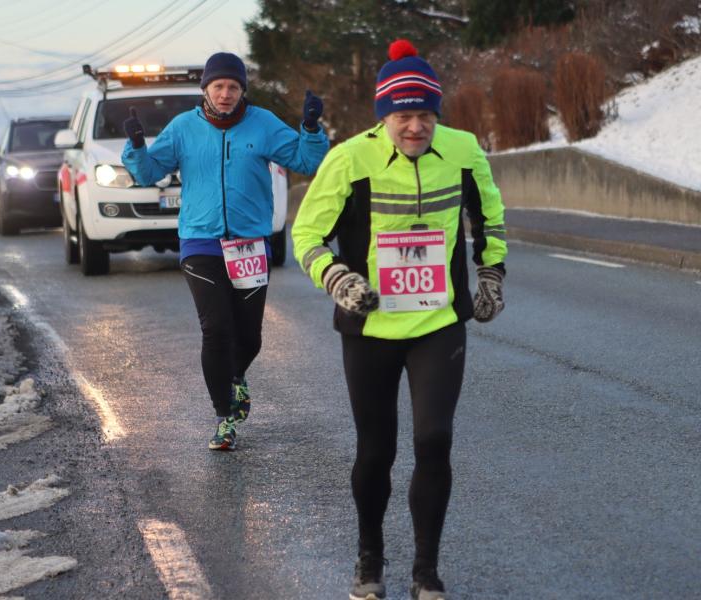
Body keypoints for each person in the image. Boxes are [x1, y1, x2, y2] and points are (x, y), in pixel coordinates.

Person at [291, 39, 507, 600]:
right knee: (375, 450)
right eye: (404, 116)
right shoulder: (348, 158)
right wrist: (338, 279)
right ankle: (369, 558)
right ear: (384, 116)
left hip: (438, 323)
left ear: (439, 115)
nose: (416, 128)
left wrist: (491, 275)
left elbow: (490, 217)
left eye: (426, 116)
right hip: (370, 327)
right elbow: (307, 236)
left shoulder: (463, 150)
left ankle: (426, 570)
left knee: (434, 439)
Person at [122, 52, 330, 451]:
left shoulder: (264, 123)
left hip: (250, 242)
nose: (225, 94)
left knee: (249, 337)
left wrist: (310, 127)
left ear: (242, 91)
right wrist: (136, 147)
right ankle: (223, 417)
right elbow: (148, 173)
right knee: (216, 328)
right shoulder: (183, 127)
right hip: (201, 241)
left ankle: (234, 378)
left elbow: (308, 160)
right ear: (206, 89)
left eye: (233, 87)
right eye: (218, 86)